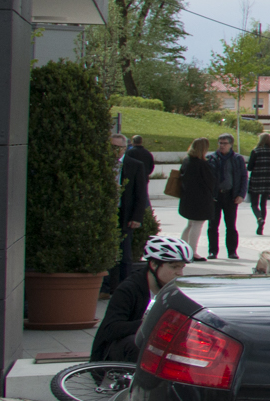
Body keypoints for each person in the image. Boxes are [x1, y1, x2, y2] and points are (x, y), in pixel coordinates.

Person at [91, 234, 193, 364]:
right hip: (115, 354)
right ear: (153, 264)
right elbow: (111, 328)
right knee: (135, 343)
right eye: (173, 267)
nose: (179, 273)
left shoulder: (173, 290)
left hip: (156, 348)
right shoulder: (129, 289)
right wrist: (149, 323)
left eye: (181, 267)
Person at [204, 134, 248, 260]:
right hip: (215, 196)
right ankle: (212, 251)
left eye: (224, 143)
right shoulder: (211, 158)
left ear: (230, 145)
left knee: (230, 225)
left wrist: (241, 194)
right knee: (213, 225)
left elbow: (244, 177)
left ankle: (232, 251)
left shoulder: (237, 159)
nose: (222, 146)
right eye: (220, 143)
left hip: (230, 195)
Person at [116, 134, 156, 261]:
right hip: (105, 213)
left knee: (124, 252)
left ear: (125, 148)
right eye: (111, 147)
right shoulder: (101, 163)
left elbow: (140, 193)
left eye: (118, 147)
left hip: (125, 214)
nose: (115, 150)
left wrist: (137, 217)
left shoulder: (135, 165)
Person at [174, 138, 216, 253]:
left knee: (190, 224)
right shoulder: (202, 164)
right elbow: (210, 182)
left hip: (187, 197)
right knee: (197, 225)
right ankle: (192, 251)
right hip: (200, 200)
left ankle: (183, 249)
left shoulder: (187, 161)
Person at [246, 132, 270, 236]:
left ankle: (259, 218)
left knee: (254, 204)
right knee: (263, 204)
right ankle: (261, 226)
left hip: (256, 180)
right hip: (268, 181)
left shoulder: (256, 151)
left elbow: (249, 167)